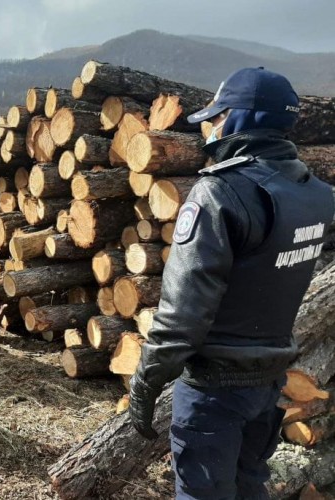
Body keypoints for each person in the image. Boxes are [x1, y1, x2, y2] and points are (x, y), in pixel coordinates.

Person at [128, 67, 335, 500]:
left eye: (219, 115)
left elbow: (183, 315)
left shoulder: (219, 194)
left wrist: (145, 384)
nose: (210, 125)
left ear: (242, 119)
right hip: (270, 383)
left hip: (215, 391)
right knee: (248, 486)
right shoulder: (319, 195)